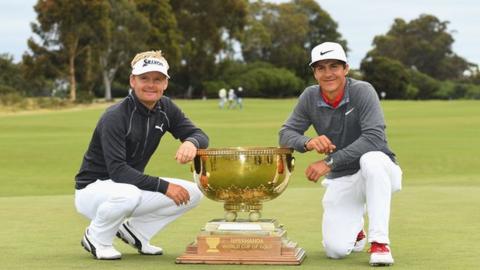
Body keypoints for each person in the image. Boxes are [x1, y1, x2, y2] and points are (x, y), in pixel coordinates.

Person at [74, 50, 209, 260]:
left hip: (128, 188)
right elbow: (118, 172)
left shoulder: (166, 107)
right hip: (93, 189)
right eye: (144, 78)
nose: (151, 85)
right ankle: (96, 238)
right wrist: (164, 187)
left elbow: (198, 134)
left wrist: (191, 143)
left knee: (194, 192)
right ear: (132, 81)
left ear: (165, 84)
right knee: (129, 194)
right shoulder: (115, 116)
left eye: (158, 79)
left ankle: (136, 232)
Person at [279, 42, 402, 266]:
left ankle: (380, 242)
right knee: (335, 250)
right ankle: (357, 230)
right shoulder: (309, 96)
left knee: (371, 160)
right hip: (343, 176)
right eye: (321, 68)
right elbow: (285, 134)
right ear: (314, 73)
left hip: (380, 170)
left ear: (346, 68)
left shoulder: (362, 91)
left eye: (334, 66)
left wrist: (329, 162)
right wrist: (308, 141)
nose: (328, 74)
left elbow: (374, 138)